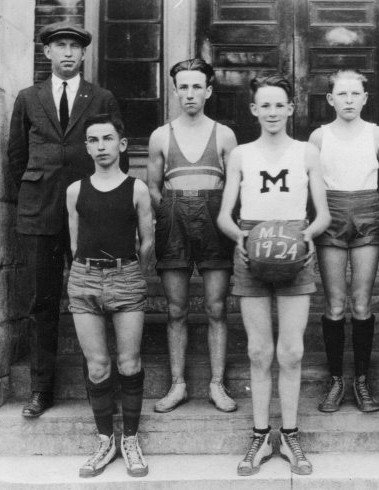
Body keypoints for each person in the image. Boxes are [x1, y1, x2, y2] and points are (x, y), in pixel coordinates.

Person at [7, 21, 128, 418]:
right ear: (47, 53)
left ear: (83, 54)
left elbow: (117, 158)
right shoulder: (28, 98)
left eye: (74, 46)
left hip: (90, 213)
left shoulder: (102, 97)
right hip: (39, 213)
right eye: (60, 45)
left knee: (96, 296)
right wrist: (31, 196)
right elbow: (17, 157)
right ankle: (41, 389)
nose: (68, 53)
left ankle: (100, 383)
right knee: (42, 301)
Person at [217, 74, 331, 476]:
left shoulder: (306, 153)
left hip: (294, 249)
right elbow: (224, 216)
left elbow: (323, 216)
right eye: (263, 105)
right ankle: (261, 435)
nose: (271, 112)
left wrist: (305, 237)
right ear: (254, 110)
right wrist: (243, 239)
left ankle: (292, 433)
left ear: (290, 108)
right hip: (252, 248)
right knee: (259, 351)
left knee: (292, 351)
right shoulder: (241, 155)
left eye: (278, 104)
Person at [147, 58, 238, 413]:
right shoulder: (160, 135)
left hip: (215, 219)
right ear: (174, 90)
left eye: (196, 86)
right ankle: (178, 384)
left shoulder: (224, 134)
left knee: (216, 307)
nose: (189, 94)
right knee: (176, 309)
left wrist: (220, 215)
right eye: (183, 87)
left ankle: (217, 384)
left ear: (209, 90)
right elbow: (153, 188)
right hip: (175, 220)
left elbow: (234, 185)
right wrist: (171, 215)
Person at [65, 113, 152, 478]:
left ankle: (130, 440)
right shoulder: (75, 190)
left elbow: (147, 241)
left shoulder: (137, 188)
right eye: (93, 140)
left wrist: (131, 274)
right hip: (84, 279)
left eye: (107, 139)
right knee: (98, 365)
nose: (101, 147)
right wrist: (84, 274)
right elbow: (73, 242)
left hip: (126, 278)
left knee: (129, 363)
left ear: (122, 144)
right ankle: (105, 441)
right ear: (86, 146)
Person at [308, 69, 379, 413]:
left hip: (367, 214)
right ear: (331, 99)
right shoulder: (318, 137)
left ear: (364, 98)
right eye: (341, 94)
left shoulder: (376, 135)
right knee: (334, 304)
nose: (348, 100)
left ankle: (361, 379)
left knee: (361, 303)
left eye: (354, 94)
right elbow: (311, 184)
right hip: (331, 214)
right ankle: (336, 380)